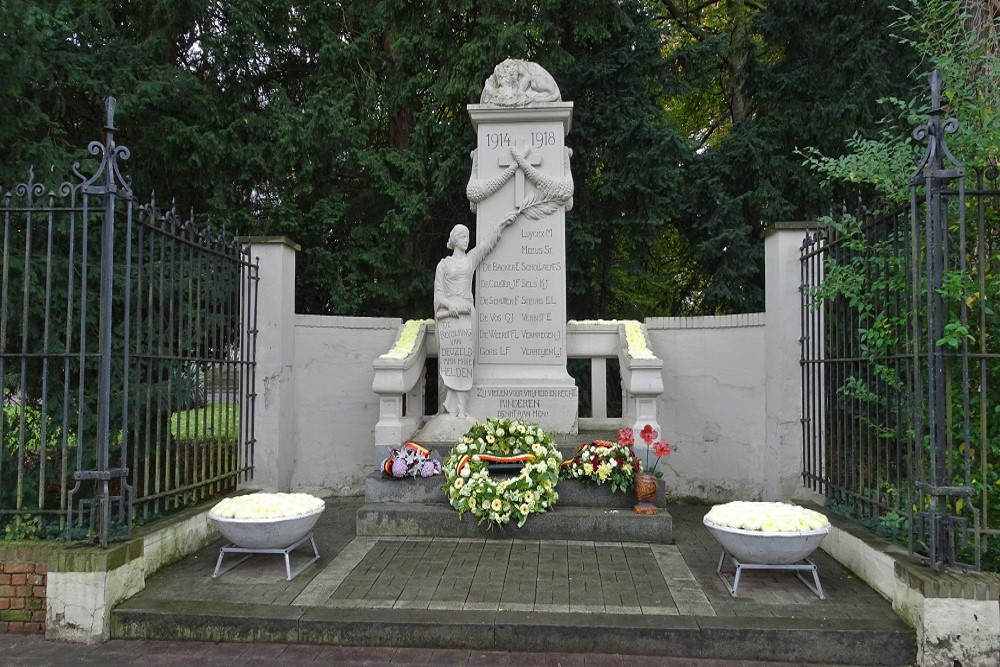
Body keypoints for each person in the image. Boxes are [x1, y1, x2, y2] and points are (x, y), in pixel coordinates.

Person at [434, 212, 518, 416]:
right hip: (447, 315)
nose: (467, 240)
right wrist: (448, 305)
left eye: (468, 237)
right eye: (463, 237)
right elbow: (438, 292)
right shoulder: (443, 264)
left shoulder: (470, 260)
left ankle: (462, 407)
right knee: (448, 359)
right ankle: (446, 406)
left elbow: (487, 245)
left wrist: (501, 224)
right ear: (454, 240)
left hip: (465, 314)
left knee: (465, 358)